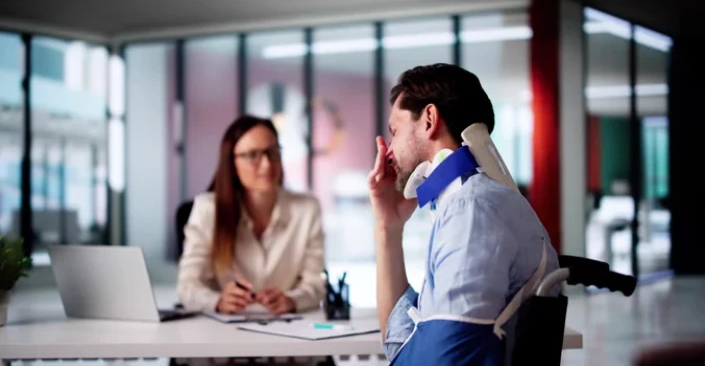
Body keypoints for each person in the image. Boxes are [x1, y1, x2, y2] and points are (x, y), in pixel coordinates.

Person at [368, 64, 560, 365]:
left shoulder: (470, 209)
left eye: (395, 131)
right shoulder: (469, 201)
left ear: (429, 119)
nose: (389, 150)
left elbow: (448, 356)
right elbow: (401, 344)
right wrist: (387, 226)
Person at [177, 115, 325, 315]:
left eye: (272, 152)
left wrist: (292, 300)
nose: (266, 164)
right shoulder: (208, 209)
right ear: (232, 164)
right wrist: (218, 301)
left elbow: (316, 285)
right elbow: (187, 287)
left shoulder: (307, 209)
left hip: (286, 328)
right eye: (252, 155)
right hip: (224, 329)